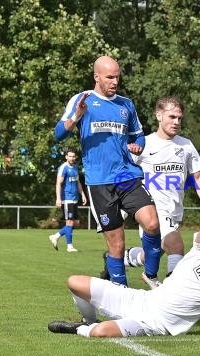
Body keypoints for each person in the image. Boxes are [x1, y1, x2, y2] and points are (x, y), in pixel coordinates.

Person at [47, 221, 200, 338]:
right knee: (74, 281)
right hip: (139, 300)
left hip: (155, 324)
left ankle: (81, 330)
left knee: (100, 334)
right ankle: (87, 320)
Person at [54, 55, 161, 287]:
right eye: (110, 77)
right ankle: (120, 297)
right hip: (99, 182)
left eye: (117, 77)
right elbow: (58, 134)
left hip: (127, 175)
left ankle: (151, 276)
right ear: (97, 77)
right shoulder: (82, 99)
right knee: (117, 245)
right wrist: (76, 117)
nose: (115, 81)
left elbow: (138, 136)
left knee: (152, 223)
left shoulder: (126, 105)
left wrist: (137, 146)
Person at [111, 96, 200, 289]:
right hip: (153, 209)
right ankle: (172, 293)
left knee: (154, 253)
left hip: (174, 210)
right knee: (176, 246)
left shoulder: (186, 145)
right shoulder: (144, 144)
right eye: (172, 117)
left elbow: (198, 176)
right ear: (159, 115)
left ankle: (126, 258)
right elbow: (122, 173)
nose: (176, 122)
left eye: (179, 118)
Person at [49, 148, 87, 253]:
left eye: (73, 156)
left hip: (75, 199)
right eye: (69, 156)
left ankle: (55, 236)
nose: (71, 158)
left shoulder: (75, 167)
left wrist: (83, 194)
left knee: (75, 223)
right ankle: (69, 246)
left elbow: (78, 182)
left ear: (75, 157)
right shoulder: (63, 168)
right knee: (69, 222)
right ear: (66, 157)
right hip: (67, 199)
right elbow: (58, 183)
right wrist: (58, 198)